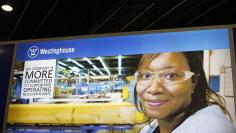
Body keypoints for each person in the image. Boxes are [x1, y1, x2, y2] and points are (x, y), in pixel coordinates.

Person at [134, 51, 236, 133]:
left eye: (171, 75)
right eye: (146, 75)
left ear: (194, 81)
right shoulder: (151, 128)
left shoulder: (211, 128)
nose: (153, 89)